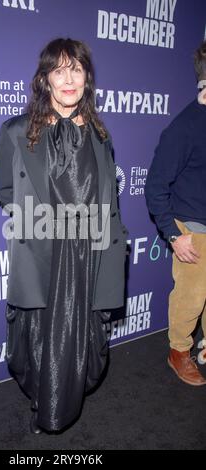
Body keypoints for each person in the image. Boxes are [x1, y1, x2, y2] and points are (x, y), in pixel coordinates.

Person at [0, 38, 127, 434]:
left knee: (83, 340)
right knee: (37, 342)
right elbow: (4, 189)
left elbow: (108, 199)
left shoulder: (101, 137)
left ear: (87, 78)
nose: (68, 79)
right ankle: (48, 407)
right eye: (59, 70)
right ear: (45, 80)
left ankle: (62, 405)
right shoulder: (17, 132)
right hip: (42, 254)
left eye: (77, 69)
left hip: (89, 255)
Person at [145, 40, 206, 386]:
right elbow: (154, 186)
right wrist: (174, 233)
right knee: (191, 297)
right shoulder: (184, 128)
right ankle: (178, 351)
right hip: (193, 226)